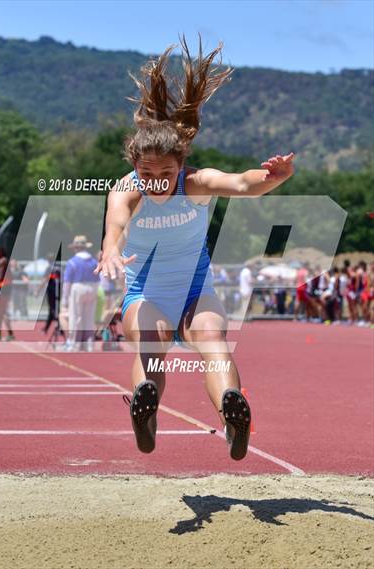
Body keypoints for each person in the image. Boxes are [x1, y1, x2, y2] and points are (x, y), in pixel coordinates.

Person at [94, 37, 295, 460]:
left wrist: (274, 177)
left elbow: (242, 183)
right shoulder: (126, 190)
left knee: (212, 340)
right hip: (145, 293)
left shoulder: (196, 183)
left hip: (195, 289)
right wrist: (110, 249)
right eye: (146, 172)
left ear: (181, 164)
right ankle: (145, 412)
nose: (156, 181)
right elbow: (114, 222)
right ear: (134, 167)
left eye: (166, 172)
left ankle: (231, 413)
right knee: (152, 341)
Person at [60, 235, 100, 351]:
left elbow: (67, 283)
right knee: (89, 317)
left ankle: (74, 343)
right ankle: (89, 343)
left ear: (75, 248)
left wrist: (65, 299)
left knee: (75, 317)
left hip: (78, 287)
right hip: (93, 288)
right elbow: (98, 279)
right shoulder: (93, 261)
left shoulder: (72, 262)